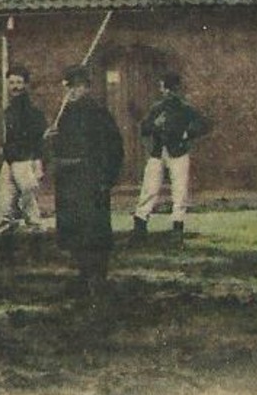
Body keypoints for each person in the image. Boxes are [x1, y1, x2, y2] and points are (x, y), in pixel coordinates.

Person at [48, 64, 125, 298]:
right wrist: (51, 139)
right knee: (74, 229)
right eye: (68, 87)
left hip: (91, 179)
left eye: (76, 87)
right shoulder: (65, 113)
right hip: (69, 179)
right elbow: (59, 146)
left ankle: (98, 277)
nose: (71, 92)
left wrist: (107, 178)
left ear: (86, 87)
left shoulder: (97, 112)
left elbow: (114, 146)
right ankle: (83, 274)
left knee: (94, 229)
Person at [133, 72, 211, 235]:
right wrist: (155, 124)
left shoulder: (185, 108)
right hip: (158, 152)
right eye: (166, 89)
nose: (167, 92)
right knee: (149, 188)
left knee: (180, 190)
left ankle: (177, 226)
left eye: (169, 89)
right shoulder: (157, 108)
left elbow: (204, 124)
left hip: (178, 152)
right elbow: (145, 128)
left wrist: (187, 133)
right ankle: (140, 224)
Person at [0, 67, 48, 260]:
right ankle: (5, 251)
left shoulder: (33, 113)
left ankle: (37, 250)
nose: (15, 87)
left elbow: (39, 141)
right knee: (3, 205)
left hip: (25, 162)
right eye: (12, 83)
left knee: (29, 205)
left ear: (25, 85)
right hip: (9, 162)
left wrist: (37, 164)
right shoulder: (8, 111)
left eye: (18, 83)